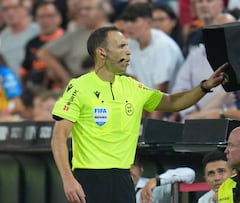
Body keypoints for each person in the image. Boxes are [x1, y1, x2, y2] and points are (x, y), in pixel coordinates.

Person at [50, 26, 227, 203]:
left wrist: (205, 87)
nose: (128, 52)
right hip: (89, 178)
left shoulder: (133, 86)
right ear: (101, 52)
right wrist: (67, 179)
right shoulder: (79, 87)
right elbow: (59, 136)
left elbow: (173, 102)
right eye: (121, 46)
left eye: (127, 46)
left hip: (123, 178)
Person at [120, 2, 185, 119]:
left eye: (133, 21)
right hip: (149, 106)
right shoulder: (130, 44)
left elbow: (161, 93)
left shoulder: (163, 45)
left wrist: (151, 130)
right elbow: (136, 86)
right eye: (126, 21)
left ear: (149, 22)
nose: (128, 25)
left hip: (174, 110)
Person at [37, 0, 110, 89]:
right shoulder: (74, 36)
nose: (83, 13)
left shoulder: (114, 32)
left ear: (101, 11)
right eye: (81, 9)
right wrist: (66, 78)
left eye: (88, 9)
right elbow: (43, 53)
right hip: (80, 83)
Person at [19, 1, 64, 90]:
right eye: (41, 17)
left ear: (59, 18)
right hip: (36, 90)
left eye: (50, 16)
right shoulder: (31, 44)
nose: (45, 21)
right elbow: (24, 72)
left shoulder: (67, 39)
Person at [0, 0, 40, 74]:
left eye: (14, 7)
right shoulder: (1, 39)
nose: (10, 13)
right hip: (13, 83)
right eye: (5, 9)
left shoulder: (38, 30)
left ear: (24, 8)